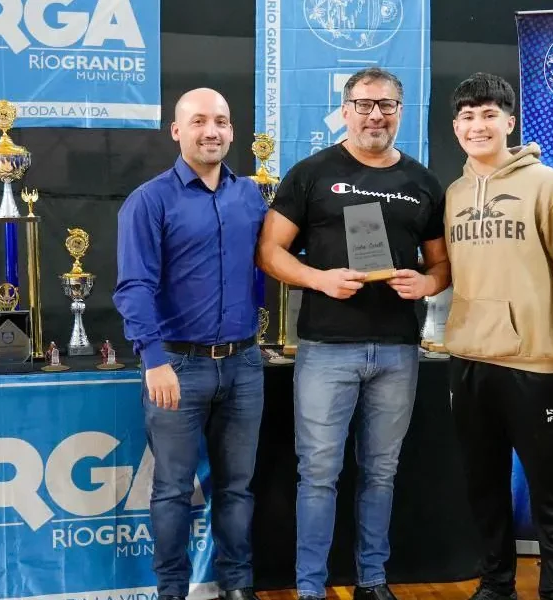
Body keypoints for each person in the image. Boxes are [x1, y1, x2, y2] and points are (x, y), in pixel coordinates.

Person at [256, 67, 451, 600]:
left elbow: (442, 265)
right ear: (345, 111)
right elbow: (269, 251)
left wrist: (426, 283)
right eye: (364, 105)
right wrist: (318, 279)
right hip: (326, 349)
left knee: (382, 473)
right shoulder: (312, 173)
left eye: (386, 105)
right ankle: (310, 588)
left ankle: (373, 580)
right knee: (319, 473)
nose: (375, 115)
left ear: (400, 112)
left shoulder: (422, 182)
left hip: (398, 350)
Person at [442, 73, 553, 600]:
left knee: (551, 492)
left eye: (489, 115)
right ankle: (497, 585)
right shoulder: (454, 194)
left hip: (532, 365)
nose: (478, 125)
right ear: (455, 127)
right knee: (483, 486)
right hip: (469, 360)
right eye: (468, 116)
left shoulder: (547, 185)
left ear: (510, 122)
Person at [113, 88, 267, 600]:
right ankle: (172, 591)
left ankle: (237, 586)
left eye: (221, 121)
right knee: (173, 490)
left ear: (232, 131)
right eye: (199, 121)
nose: (211, 131)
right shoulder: (149, 200)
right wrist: (153, 360)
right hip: (176, 366)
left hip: (244, 365)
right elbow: (133, 287)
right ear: (177, 131)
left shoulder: (250, 197)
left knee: (237, 488)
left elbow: (279, 258)